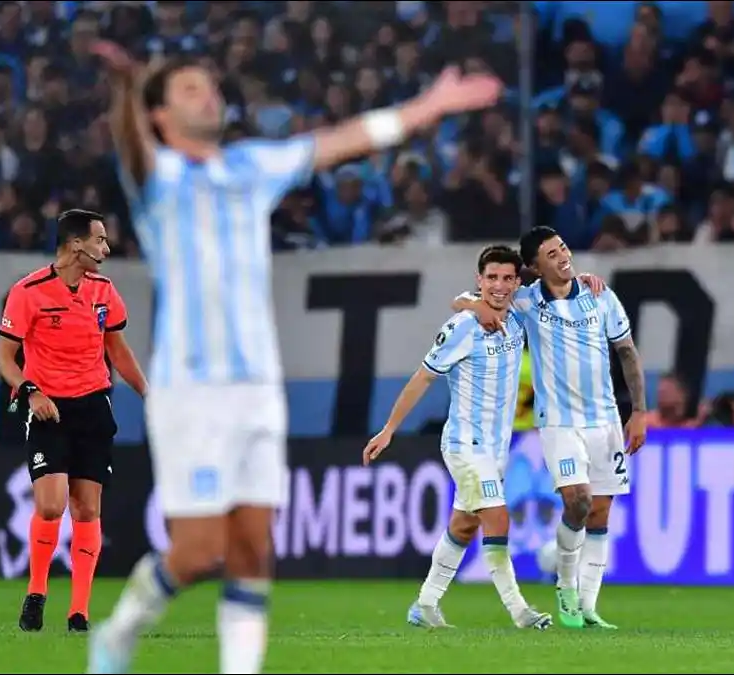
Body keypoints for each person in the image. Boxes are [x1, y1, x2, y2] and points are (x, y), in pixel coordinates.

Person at [87, 40, 501, 674]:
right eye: (189, 90)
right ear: (160, 117)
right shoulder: (161, 179)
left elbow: (344, 139)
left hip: (257, 389)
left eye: (211, 86)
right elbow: (132, 148)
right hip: (190, 389)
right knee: (196, 553)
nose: (209, 96)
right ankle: (121, 630)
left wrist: (430, 105)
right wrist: (124, 93)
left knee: (255, 550)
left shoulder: (252, 166)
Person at [453, 226, 648, 630]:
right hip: (559, 421)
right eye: (551, 253)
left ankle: (589, 606)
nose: (562, 256)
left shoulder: (599, 295)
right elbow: (465, 300)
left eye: (562, 248)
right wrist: (473, 306)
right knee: (577, 500)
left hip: (606, 419)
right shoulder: (525, 301)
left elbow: (626, 351)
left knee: (600, 512)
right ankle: (565, 584)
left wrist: (640, 411)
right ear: (534, 268)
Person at [362, 245, 552, 631]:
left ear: (517, 282)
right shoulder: (462, 328)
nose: (498, 286)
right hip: (465, 446)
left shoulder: (516, 318)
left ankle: (425, 605)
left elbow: (543, 290)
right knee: (497, 517)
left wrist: (469, 302)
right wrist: (389, 428)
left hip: (496, 449)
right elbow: (423, 378)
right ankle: (520, 612)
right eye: (491, 278)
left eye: (506, 278)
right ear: (479, 279)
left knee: (464, 525)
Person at [0, 208, 147, 633]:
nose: (106, 247)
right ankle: (37, 591)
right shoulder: (28, 291)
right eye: (100, 239)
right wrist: (30, 391)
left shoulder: (103, 290)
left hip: (93, 407)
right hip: (48, 407)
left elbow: (117, 351)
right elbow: (5, 358)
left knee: (86, 508)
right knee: (50, 504)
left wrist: (148, 393)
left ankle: (78, 611)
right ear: (76, 244)